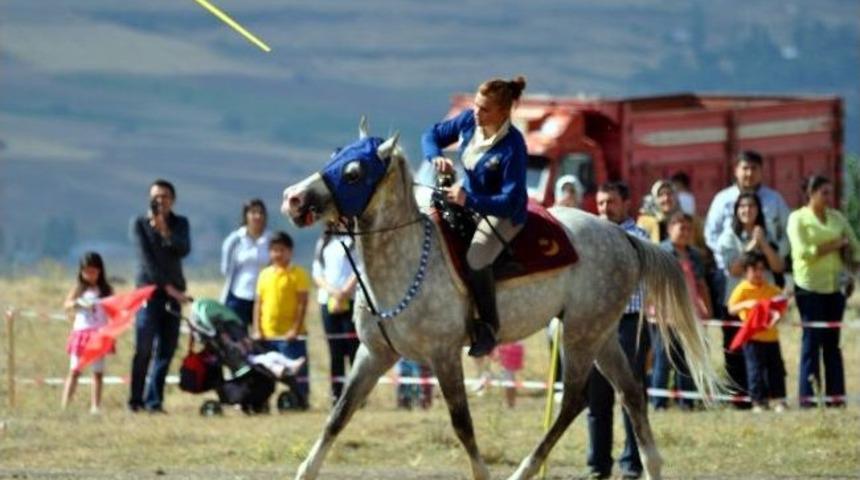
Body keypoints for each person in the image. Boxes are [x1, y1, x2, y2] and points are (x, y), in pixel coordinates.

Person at [422, 76, 529, 357]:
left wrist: (470, 199)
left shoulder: (513, 147)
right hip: (465, 200)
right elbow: (431, 135)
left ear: (504, 112)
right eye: (476, 106)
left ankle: (489, 327)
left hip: (503, 213)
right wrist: (435, 157)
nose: (476, 113)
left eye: (485, 109)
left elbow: (510, 199)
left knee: (477, 258)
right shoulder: (469, 120)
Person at [704, 151, 789, 408]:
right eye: (744, 168)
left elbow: (785, 236)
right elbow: (711, 234)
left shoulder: (774, 200)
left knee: (766, 343)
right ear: (735, 170)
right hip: (732, 282)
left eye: (753, 168)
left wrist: (772, 251)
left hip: (766, 281)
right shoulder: (722, 200)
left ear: (761, 171)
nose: (748, 173)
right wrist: (733, 257)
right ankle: (738, 397)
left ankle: (768, 396)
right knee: (733, 340)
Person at [586, 181, 650, 480]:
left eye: (610, 202)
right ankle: (598, 465)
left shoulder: (639, 237)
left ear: (626, 203)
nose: (604, 209)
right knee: (597, 400)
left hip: (628, 324)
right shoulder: (590, 236)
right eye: (600, 203)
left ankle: (632, 464)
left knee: (630, 397)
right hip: (596, 326)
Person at [787, 175, 860, 408]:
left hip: (834, 288)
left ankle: (836, 398)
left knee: (832, 344)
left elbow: (855, 245)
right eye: (824, 193)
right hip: (809, 288)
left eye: (831, 192)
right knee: (811, 343)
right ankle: (808, 399)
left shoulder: (836, 217)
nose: (829, 198)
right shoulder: (797, 218)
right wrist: (836, 245)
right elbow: (803, 252)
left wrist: (850, 268)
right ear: (812, 193)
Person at [128, 179, 191, 413]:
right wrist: (168, 289)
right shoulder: (139, 224)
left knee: (167, 349)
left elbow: (183, 249)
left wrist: (165, 229)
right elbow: (147, 262)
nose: (160, 201)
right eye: (156, 197)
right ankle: (136, 400)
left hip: (174, 294)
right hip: (149, 293)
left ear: (172, 199)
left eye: (165, 196)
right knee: (144, 348)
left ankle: (155, 401)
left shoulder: (180, 223)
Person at [716, 192, 785, 405]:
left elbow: (778, 266)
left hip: (763, 308)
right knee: (736, 354)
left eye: (752, 206)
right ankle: (740, 400)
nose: (747, 211)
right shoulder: (729, 237)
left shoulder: (768, 235)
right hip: (738, 304)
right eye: (742, 207)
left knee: (767, 357)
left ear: (758, 210)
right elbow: (734, 269)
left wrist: (763, 243)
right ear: (737, 211)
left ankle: (770, 398)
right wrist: (750, 245)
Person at [652, 212, 710, 411]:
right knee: (663, 360)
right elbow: (653, 286)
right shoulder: (660, 252)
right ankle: (659, 402)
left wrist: (706, 309)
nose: (685, 232)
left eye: (689, 228)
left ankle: (687, 401)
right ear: (669, 229)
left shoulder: (695, 255)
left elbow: (701, 284)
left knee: (687, 361)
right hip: (665, 316)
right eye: (681, 227)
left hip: (690, 316)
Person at [254, 231, 311, 403]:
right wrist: (257, 329)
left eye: (282, 250)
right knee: (265, 374)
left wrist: (295, 329)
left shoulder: (298, 274)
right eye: (274, 250)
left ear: (290, 251)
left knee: (296, 374)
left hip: (290, 337)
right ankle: (261, 402)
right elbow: (258, 304)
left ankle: (300, 401)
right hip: (267, 335)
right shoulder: (264, 275)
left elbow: (302, 304)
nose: (278, 254)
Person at [727, 251, 788, 412]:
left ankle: (779, 400)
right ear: (746, 271)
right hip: (752, 338)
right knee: (755, 371)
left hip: (771, 338)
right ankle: (758, 402)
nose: (759, 273)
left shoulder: (772, 290)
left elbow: (781, 307)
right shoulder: (742, 289)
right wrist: (746, 304)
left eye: (762, 269)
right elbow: (731, 308)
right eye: (754, 269)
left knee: (776, 370)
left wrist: (778, 314)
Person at [61, 252, 114, 413]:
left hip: (99, 335)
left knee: (98, 372)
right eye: (86, 272)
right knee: (75, 370)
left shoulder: (105, 290)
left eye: (93, 271)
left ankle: (95, 406)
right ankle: (65, 405)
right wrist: (78, 303)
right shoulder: (79, 289)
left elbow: (114, 308)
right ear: (81, 272)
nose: (90, 275)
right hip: (81, 334)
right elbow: (67, 305)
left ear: (100, 271)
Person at [312, 228, 360, 405]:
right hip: (327, 301)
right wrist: (333, 292)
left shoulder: (355, 239)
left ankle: (357, 394)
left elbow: (360, 267)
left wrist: (345, 292)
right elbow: (317, 272)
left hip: (352, 299)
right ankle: (336, 394)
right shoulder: (324, 241)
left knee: (354, 348)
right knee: (335, 351)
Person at [220, 198, 271, 329]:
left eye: (261, 213)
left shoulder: (271, 239)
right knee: (238, 338)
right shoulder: (235, 240)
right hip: (238, 294)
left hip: (264, 297)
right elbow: (226, 269)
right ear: (246, 215)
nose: (257, 216)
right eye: (253, 212)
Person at [495, 341, 525, 408]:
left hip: (509, 350)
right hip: (513, 348)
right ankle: (511, 401)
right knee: (510, 379)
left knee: (508, 380)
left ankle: (510, 402)